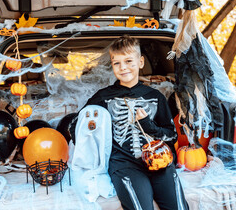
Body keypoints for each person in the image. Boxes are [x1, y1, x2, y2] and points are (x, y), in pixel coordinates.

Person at [71, 35, 189, 210]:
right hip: (124, 164)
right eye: (116, 63)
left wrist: (149, 127)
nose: (123, 67)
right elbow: (77, 125)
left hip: (158, 161)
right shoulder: (103, 97)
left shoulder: (155, 97)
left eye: (128, 61)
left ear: (140, 62)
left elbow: (171, 135)